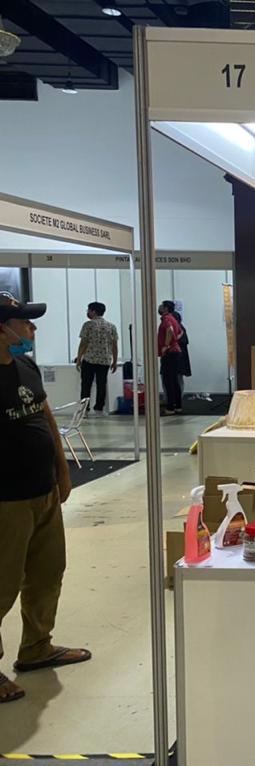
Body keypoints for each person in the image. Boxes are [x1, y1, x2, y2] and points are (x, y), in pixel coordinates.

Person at [0, 292, 91, 705]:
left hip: (42, 491)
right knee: (2, 586)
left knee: (47, 572)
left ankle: (36, 647)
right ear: (2, 327)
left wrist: (61, 467)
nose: (31, 329)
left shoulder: (25, 366)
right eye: (23, 322)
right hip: (6, 500)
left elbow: (44, 416)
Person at [74, 301, 118, 416]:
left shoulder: (88, 325)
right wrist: (115, 361)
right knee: (101, 384)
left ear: (93, 311)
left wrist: (79, 358)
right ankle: (99, 408)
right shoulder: (111, 326)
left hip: (89, 359)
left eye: (88, 310)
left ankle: (84, 409)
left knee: (86, 385)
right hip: (105, 360)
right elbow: (114, 345)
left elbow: (83, 343)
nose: (87, 312)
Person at [157, 300, 183, 415]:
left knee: (168, 381)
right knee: (174, 380)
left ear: (166, 309)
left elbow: (170, 330)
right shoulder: (174, 319)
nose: (160, 307)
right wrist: (174, 341)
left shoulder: (166, 319)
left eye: (162, 306)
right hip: (175, 351)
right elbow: (180, 332)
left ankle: (170, 407)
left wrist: (166, 345)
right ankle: (178, 406)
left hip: (170, 353)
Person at [171, 310, 191, 411]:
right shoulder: (181, 327)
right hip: (181, 358)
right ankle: (177, 399)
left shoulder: (177, 328)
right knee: (178, 379)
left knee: (177, 380)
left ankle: (175, 400)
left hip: (177, 358)